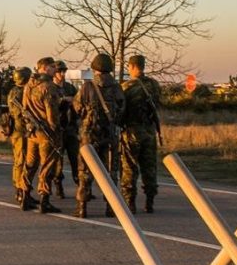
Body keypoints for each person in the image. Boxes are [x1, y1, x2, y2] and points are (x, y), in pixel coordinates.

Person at [72, 53, 125, 218]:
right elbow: (122, 109)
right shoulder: (117, 87)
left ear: (95, 68)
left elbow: (77, 107)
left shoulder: (87, 87)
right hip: (109, 133)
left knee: (85, 170)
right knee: (111, 171)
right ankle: (111, 207)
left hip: (89, 134)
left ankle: (82, 207)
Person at [120, 54, 162, 214]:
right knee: (149, 167)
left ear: (131, 66)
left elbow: (121, 110)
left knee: (129, 167)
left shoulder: (126, 87)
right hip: (149, 131)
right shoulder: (154, 85)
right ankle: (149, 201)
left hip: (131, 131)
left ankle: (130, 201)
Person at [21, 57, 63, 214]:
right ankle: (44, 199)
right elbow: (52, 115)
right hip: (46, 133)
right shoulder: (48, 87)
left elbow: (24, 108)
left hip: (32, 132)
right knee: (47, 166)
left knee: (30, 164)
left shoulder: (28, 85)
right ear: (44, 68)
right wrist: (56, 130)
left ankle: (25, 195)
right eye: (52, 67)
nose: (55, 70)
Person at [7, 67, 36, 207]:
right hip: (21, 131)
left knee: (21, 161)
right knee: (21, 161)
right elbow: (21, 113)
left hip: (20, 131)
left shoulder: (15, 91)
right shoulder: (18, 93)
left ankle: (22, 190)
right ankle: (20, 190)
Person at [52, 59, 79, 199]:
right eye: (59, 72)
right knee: (58, 161)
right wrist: (61, 101)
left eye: (64, 71)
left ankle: (81, 187)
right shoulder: (50, 88)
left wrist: (73, 101)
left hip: (71, 129)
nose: (62, 74)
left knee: (76, 159)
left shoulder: (70, 88)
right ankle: (58, 186)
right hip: (58, 129)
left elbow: (79, 102)